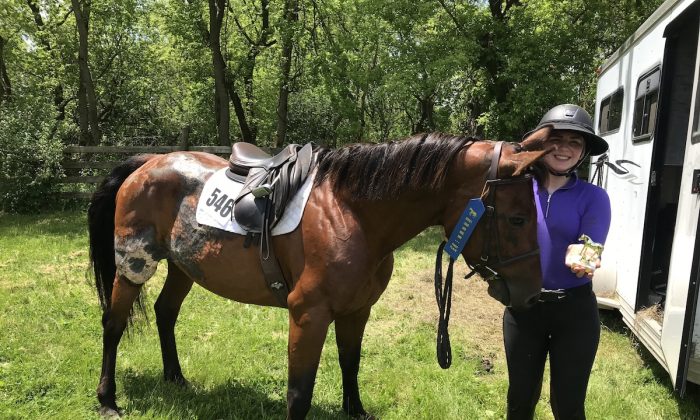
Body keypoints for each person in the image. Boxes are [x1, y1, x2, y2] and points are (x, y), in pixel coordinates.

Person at [503, 104, 611, 420]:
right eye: (556, 139)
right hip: (523, 308)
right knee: (520, 400)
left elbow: (592, 242)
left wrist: (586, 260)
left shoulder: (593, 197)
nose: (563, 148)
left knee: (567, 405)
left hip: (574, 313)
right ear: (541, 144)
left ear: (583, 152)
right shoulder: (517, 189)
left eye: (574, 142)